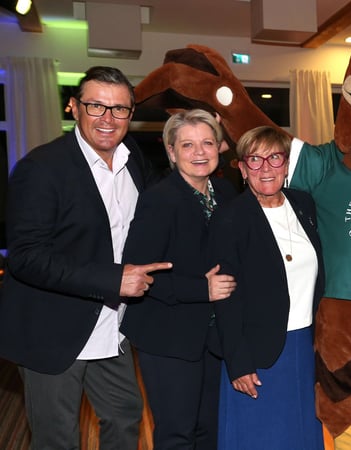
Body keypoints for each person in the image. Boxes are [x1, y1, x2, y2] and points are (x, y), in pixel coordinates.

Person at [0, 66, 172, 449]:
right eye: (96, 106)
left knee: (126, 416)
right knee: (58, 437)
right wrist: (113, 280)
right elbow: (26, 257)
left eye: (119, 109)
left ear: (131, 114)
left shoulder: (135, 162)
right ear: (73, 107)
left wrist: (202, 157)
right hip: (52, 329)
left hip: (111, 327)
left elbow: (162, 210)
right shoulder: (41, 168)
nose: (108, 119)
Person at [121, 109, 237, 450]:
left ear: (219, 147)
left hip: (214, 336)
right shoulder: (160, 199)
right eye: (188, 145)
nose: (199, 152)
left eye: (207, 143)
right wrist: (202, 289)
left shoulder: (226, 192)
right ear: (172, 152)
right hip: (169, 337)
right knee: (177, 434)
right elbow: (140, 273)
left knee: (210, 430)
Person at [208, 125, 325, 449]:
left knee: (301, 435)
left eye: (274, 158)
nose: (266, 168)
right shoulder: (229, 219)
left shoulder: (304, 205)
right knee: (259, 437)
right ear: (243, 169)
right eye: (255, 160)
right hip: (257, 353)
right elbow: (225, 298)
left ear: (286, 165)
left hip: (304, 346)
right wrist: (238, 362)